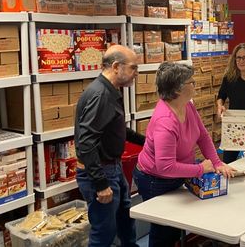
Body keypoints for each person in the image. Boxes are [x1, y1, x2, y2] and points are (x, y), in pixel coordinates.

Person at [133, 62, 236, 247]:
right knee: (163, 231)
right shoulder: (165, 121)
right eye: (191, 82)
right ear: (178, 89)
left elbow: (203, 136)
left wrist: (217, 163)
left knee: (174, 228)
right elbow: (165, 167)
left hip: (178, 172)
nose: (195, 84)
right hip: (154, 179)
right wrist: (200, 168)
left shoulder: (187, 105)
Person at [75, 45, 144, 247]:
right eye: (133, 68)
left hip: (113, 168)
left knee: (125, 221)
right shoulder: (101, 95)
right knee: (104, 233)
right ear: (116, 66)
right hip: (101, 172)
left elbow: (118, 130)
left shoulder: (110, 90)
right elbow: (85, 142)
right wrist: (100, 183)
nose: (136, 74)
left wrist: (147, 142)